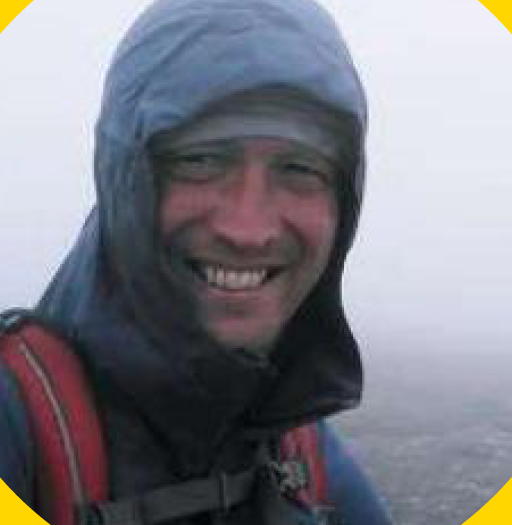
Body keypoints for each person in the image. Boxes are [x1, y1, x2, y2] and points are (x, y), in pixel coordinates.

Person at [0, 0, 393, 523]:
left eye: (299, 168)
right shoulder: (18, 422)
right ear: (124, 179)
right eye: (201, 161)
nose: (248, 230)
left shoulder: (297, 445)